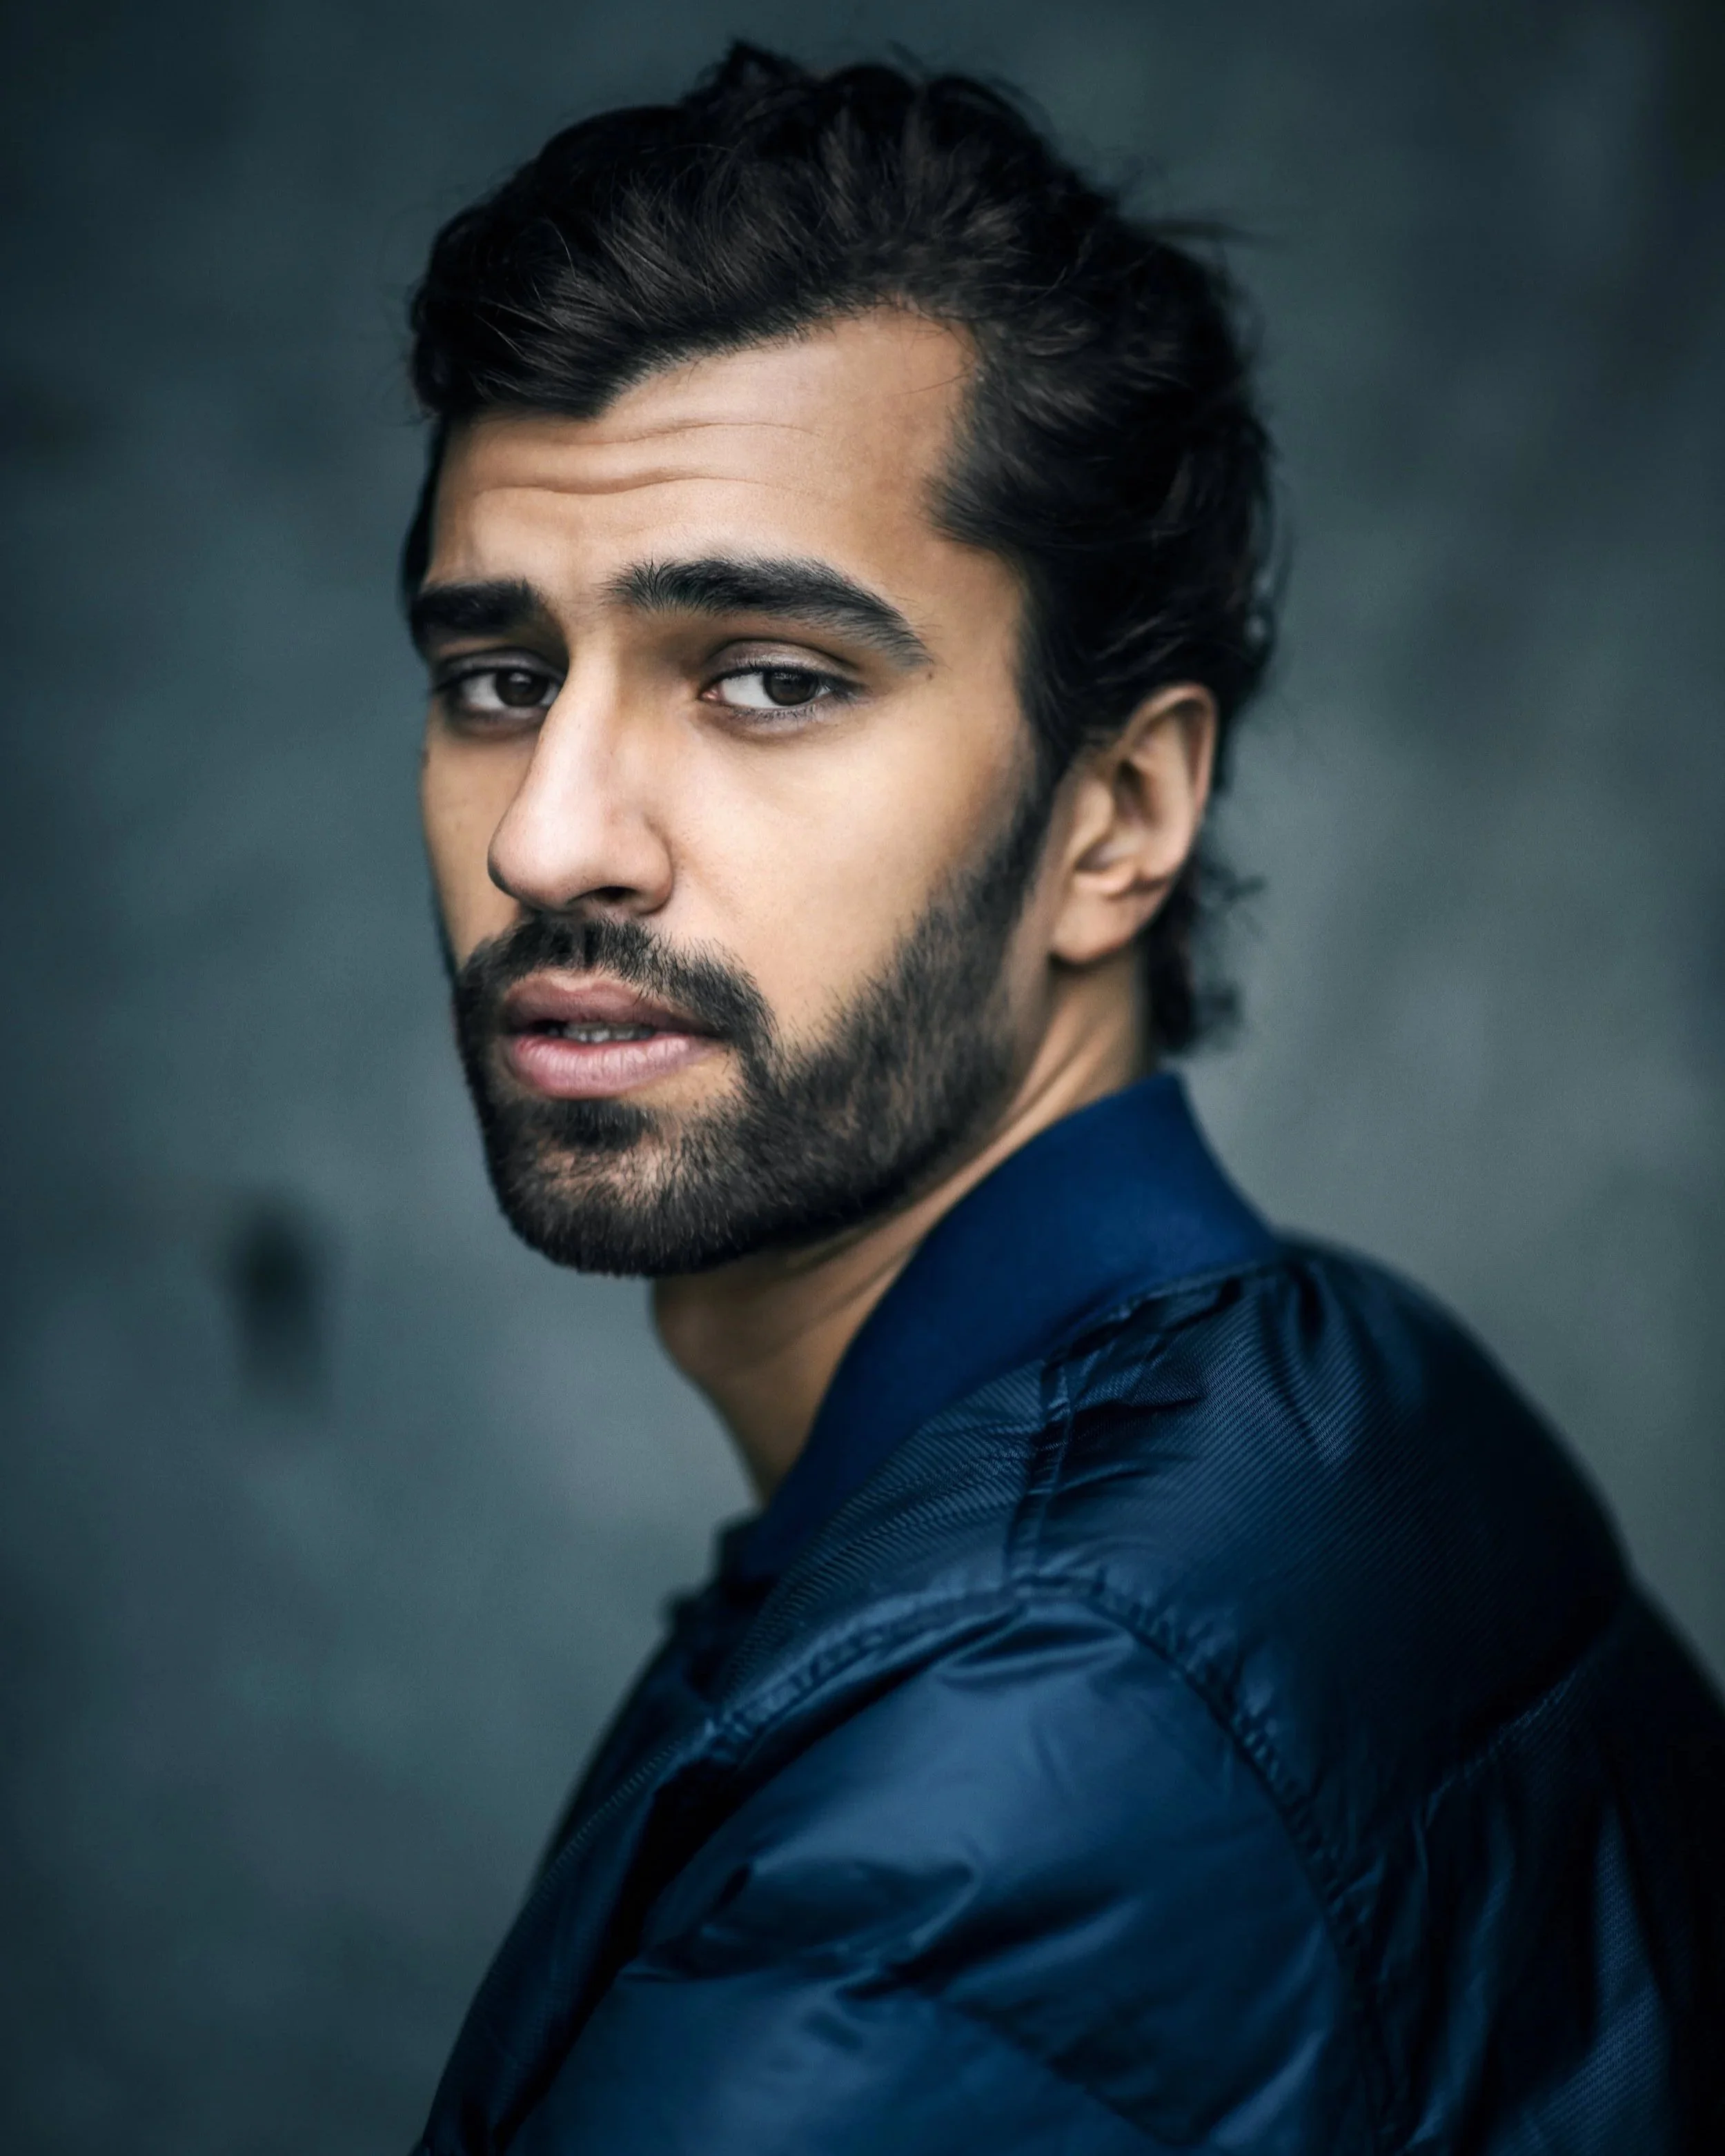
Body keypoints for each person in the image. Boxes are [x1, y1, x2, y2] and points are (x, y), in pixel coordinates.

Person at [400, 45, 1725, 2155]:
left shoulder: (1022, 1751)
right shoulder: (1325, 1381)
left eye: (767, 678)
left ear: (1116, 813)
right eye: (498, 678)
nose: (547, 837)